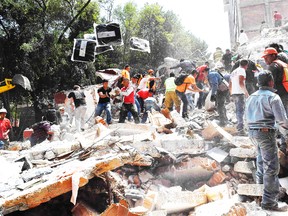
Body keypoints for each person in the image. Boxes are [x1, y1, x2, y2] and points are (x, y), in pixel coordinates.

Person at [246, 70, 288, 212]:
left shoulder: (251, 96)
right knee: (271, 167)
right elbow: (282, 120)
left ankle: (260, 195)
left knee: (261, 162)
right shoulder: (273, 97)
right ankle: (269, 202)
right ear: (271, 82)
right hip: (265, 133)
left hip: (252, 133)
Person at [262, 47, 288, 154]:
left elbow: (267, 81)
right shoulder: (283, 64)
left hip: (279, 96)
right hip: (285, 93)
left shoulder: (274, 65)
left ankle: (283, 144)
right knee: (284, 117)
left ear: (273, 55)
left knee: (280, 119)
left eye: (266, 57)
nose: (265, 60)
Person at [229, 59, 249, 135]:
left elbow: (230, 84)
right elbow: (241, 82)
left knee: (238, 110)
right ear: (246, 65)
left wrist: (231, 94)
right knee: (241, 110)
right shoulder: (241, 70)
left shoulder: (233, 71)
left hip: (234, 93)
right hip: (240, 93)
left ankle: (239, 126)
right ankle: (241, 128)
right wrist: (246, 92)